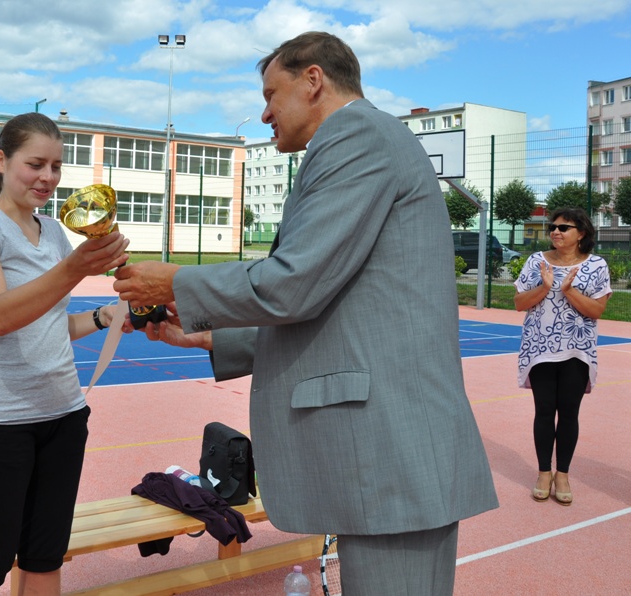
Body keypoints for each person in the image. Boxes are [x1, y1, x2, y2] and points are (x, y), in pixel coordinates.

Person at [114, 32, 498, 595]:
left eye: (271, 94)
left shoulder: (358, 136)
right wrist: (207, 337)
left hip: (389, 455)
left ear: (313, 80)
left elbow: (296, 283)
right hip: (387, 456)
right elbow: (342, 308)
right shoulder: (360, 140)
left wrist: (177, 281)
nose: (265, 113)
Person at [0, 112, 129, 595]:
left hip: (63, 416)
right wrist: (75, 269)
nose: (47, 177)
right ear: (2, 161)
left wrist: (102, 317)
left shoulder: (53, 231)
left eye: (56, 166)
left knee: (45, 559)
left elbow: (49, 324)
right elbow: (0, 315)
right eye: (35, 164)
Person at [514, 207, 611, 506]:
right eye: (553, 227)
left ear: (581, 233)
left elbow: (596, 310)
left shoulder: (596, 265)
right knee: (544, 411)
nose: (556, 231)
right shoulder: (536, 261)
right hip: (540, 348)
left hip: (577, 350)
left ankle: (563, 475)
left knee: (569, 413)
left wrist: (568, 290)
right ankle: (544, 473)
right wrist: (545, 287)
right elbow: (519, 303)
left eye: (564, 227)